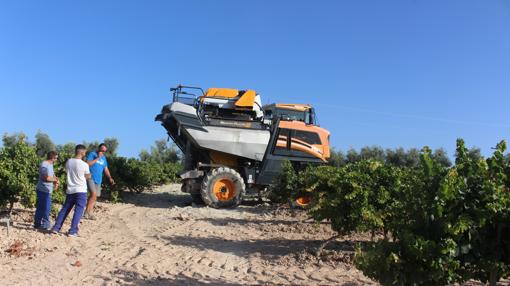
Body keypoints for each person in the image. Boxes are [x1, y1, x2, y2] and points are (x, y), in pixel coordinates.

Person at [51, 144, 90, 237]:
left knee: (65, 209)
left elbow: (67, 171)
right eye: (85, 152)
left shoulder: (69, 162)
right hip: (81, 190)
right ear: (82, 152)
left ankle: (56, 228)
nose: (85, 154)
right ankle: (73, 231)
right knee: (78, 211)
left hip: (70, 189)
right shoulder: (85, 164)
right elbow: (88, 176)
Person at [84, 143, 115, 220]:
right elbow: (87, 164)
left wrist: (110, 178)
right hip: (90, 177)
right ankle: (88, 213)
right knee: (93, 194)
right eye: (102, 150)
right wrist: (98, 158)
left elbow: (106, 169)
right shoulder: (92, 154)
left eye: (104, 151)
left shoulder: (104, 158)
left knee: (95, 196)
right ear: (98, 148)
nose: (103, 152)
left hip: (98, 179)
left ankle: (88, 212)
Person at [33, 151, 59, 230]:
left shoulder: (50, 165)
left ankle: (37, 224)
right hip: (43, 189)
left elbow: (52, 175)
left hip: (47, 190)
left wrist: (56, 180)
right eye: (56, 158)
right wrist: (54, 180)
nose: (57, 160)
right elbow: (45, 177)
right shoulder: (44, 164)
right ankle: (45, 224)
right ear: (52, 158)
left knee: (41, 207)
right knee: (46, 207)